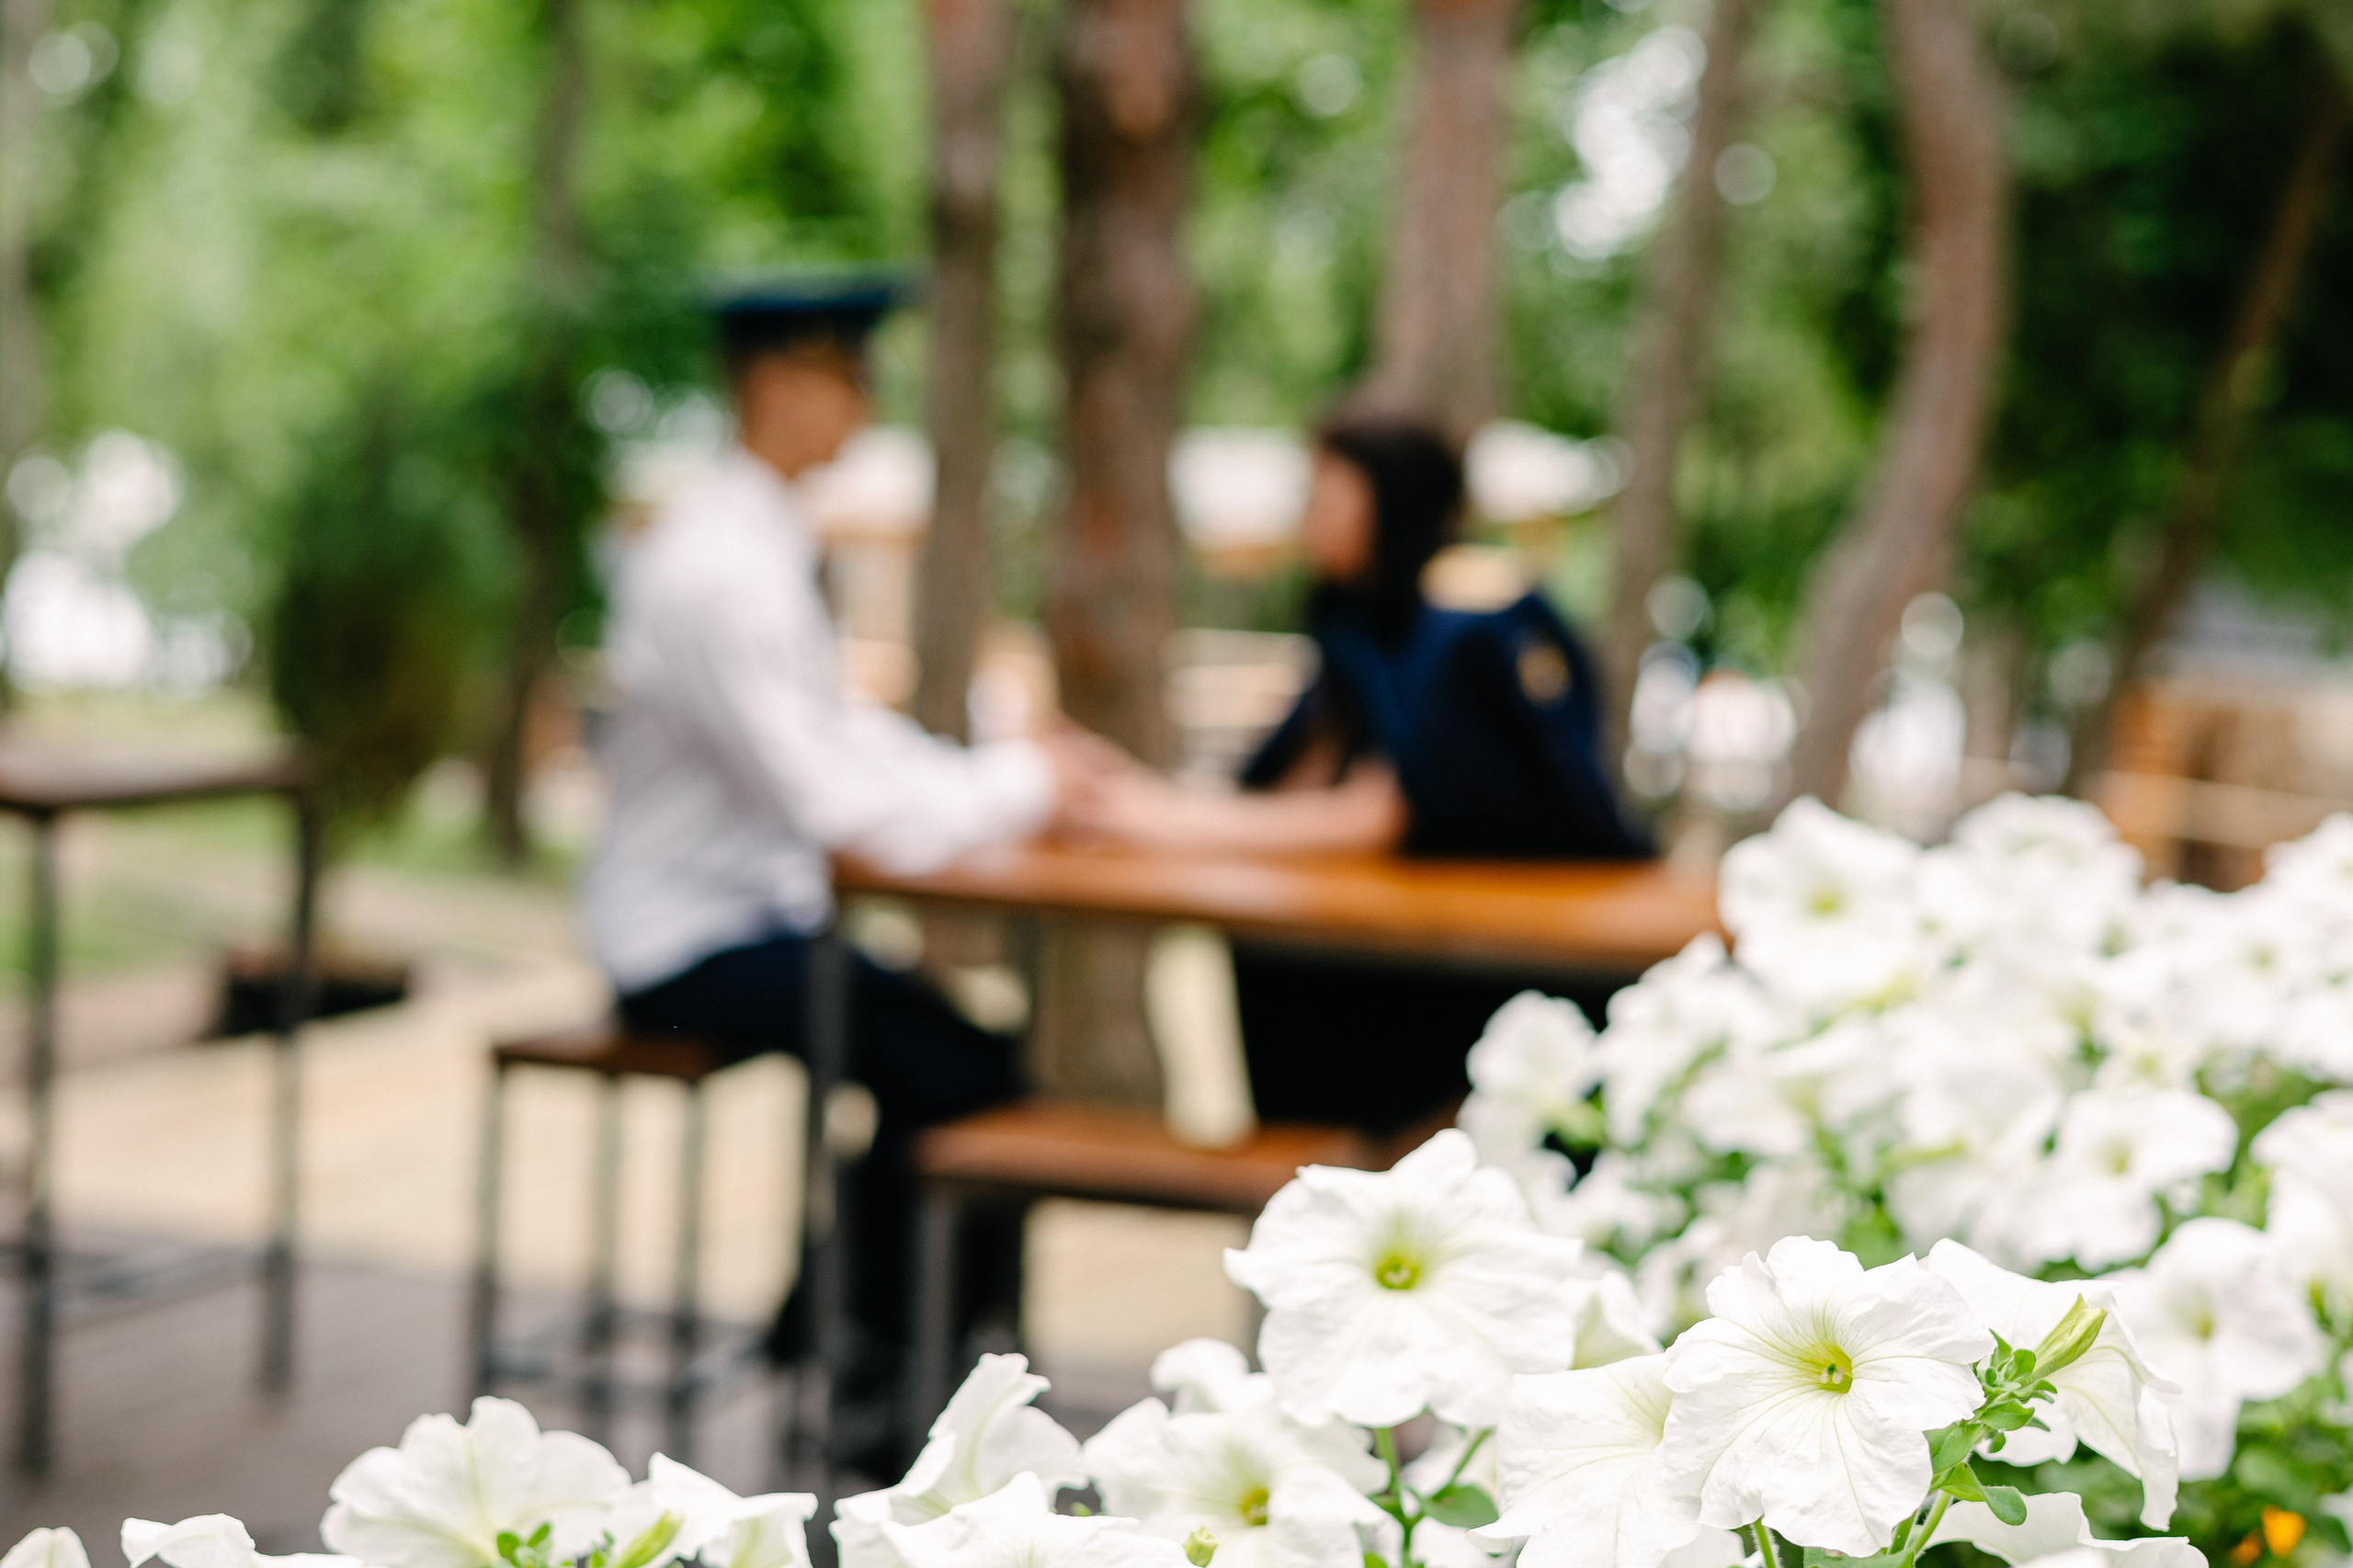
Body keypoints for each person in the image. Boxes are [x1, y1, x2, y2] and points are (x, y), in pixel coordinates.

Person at [579, 277, 1097, 1454]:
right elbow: (826, 800)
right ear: (777, 386)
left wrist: (1007, 775)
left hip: (750, 918)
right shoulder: (719, 566)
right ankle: (884, 1364)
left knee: (955, 1054)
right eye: (848, 377)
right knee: (962, 1063)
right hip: (688, 941)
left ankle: (853, 1327)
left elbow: (843, 738)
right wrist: (1019, 787)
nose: (865, 402)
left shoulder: (759, 539)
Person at [1068, 410, 1651, 1133]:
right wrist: (1148, 801)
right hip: (1404, 955)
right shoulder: (1366, 622)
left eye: (1327, 500)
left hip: (1509, 968)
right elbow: (1300, 777)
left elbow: (1375, 815)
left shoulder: (1466, 623)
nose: (1307, 522)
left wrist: (1164, 817)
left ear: (1390, 504)